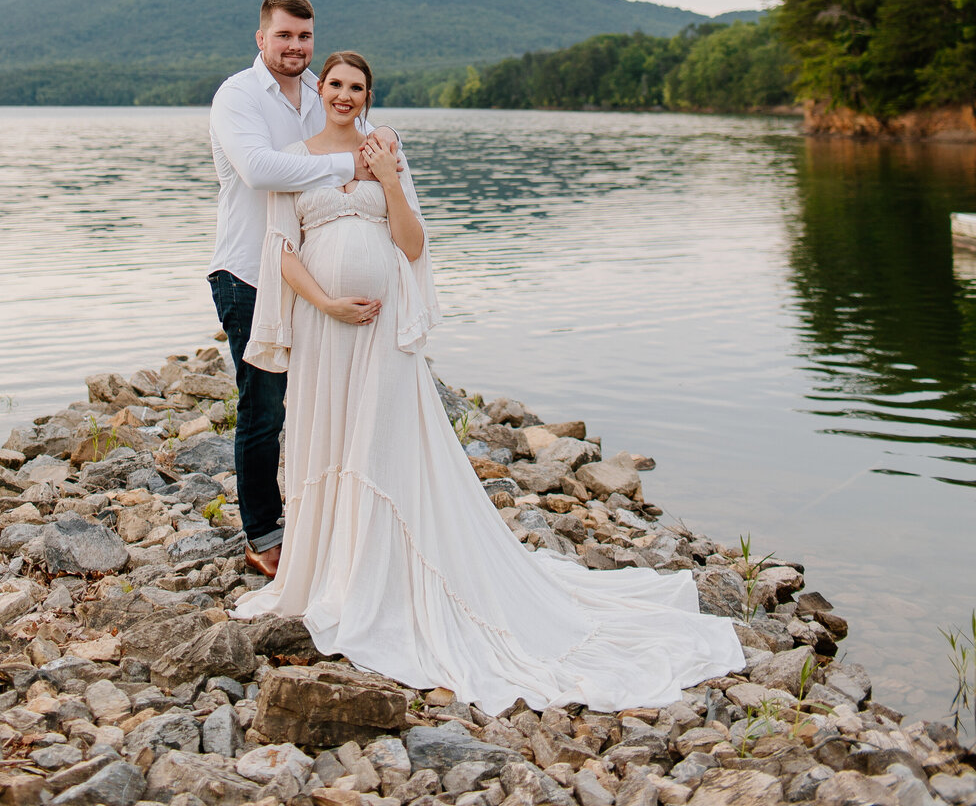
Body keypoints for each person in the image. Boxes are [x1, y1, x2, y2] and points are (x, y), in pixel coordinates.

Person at [233, 49, 744, 712]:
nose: (345, 96)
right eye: (335, 84)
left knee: (382, 446)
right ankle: (332, 569)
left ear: (368, 95)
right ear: (318, 89)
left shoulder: (386, 152)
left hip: (382, 335)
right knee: (328, 442)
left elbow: (413, 247)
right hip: (329, 330)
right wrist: (328, 304)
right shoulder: (294, 158)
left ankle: (385, 574)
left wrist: (389, 179)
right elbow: (282, 253)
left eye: (358, 87)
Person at [207, 0, 394, 578]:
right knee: (263, 410)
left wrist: (381, 147)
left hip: (309, 277)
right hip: (248, 273)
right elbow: (261, 169)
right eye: (284, 36)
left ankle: (329, 518)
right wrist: (347, 169)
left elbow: (357, 133)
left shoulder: (320, 92)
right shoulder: (237, 96)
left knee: (323, 399)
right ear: (261, 39)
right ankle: (264, 531)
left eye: (304, 37)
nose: (295, 47)